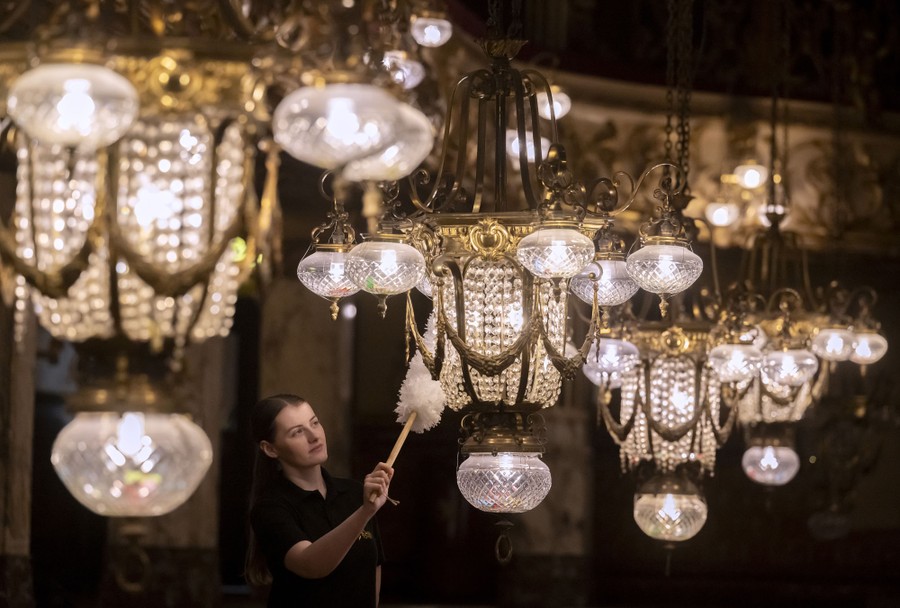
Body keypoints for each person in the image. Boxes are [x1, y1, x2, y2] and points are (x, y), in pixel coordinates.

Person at [245, 394, 394, 607]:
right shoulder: (270, 507)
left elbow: (373, 570)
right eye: (297, 432)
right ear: (270, 448)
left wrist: (365, 508)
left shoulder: (355, 493)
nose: (314, 436)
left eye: (314, 423)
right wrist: (364, 512)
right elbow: (310, 565)